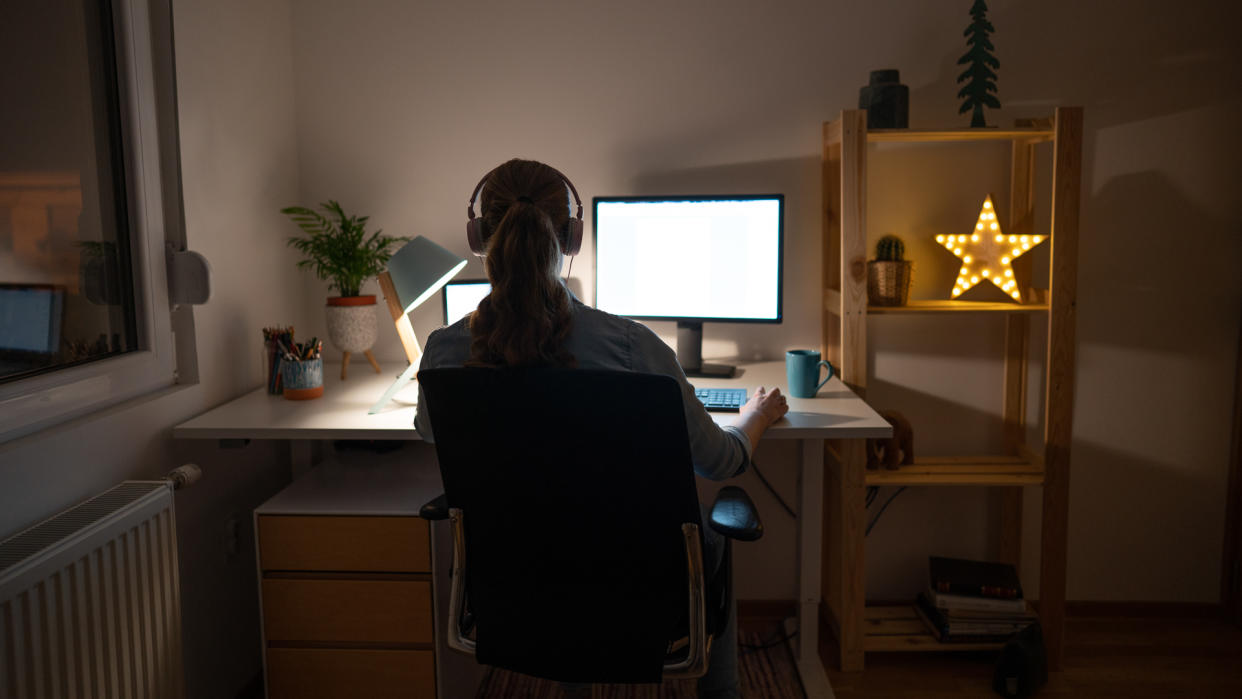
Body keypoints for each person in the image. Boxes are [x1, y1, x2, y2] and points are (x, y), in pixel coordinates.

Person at [414, 158, 788, 699]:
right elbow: (720, 461)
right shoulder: (633, 349)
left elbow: (430, 431)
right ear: (570, 237)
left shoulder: (445, 351)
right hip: (637, 589)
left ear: (478, 237)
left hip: (517, 587)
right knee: (712, 537)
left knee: (554, 523)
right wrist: (756, 416)